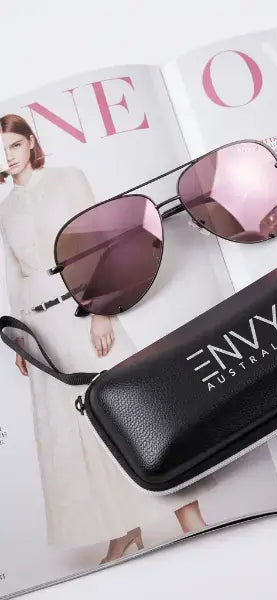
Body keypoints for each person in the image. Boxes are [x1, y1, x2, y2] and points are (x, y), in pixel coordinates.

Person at [0, 114, 216, 563]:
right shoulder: (5, 209)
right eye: (1, 150)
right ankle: (123, 533)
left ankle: (191, 518)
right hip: (41, 330)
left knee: (135, 411)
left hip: (82, 312)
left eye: (15, 144)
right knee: (77, 430)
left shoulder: (67, 179)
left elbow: (102, 244)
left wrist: (102, 310)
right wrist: (21, 335)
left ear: (31, 142)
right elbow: (15, 275)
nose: (8, 155)